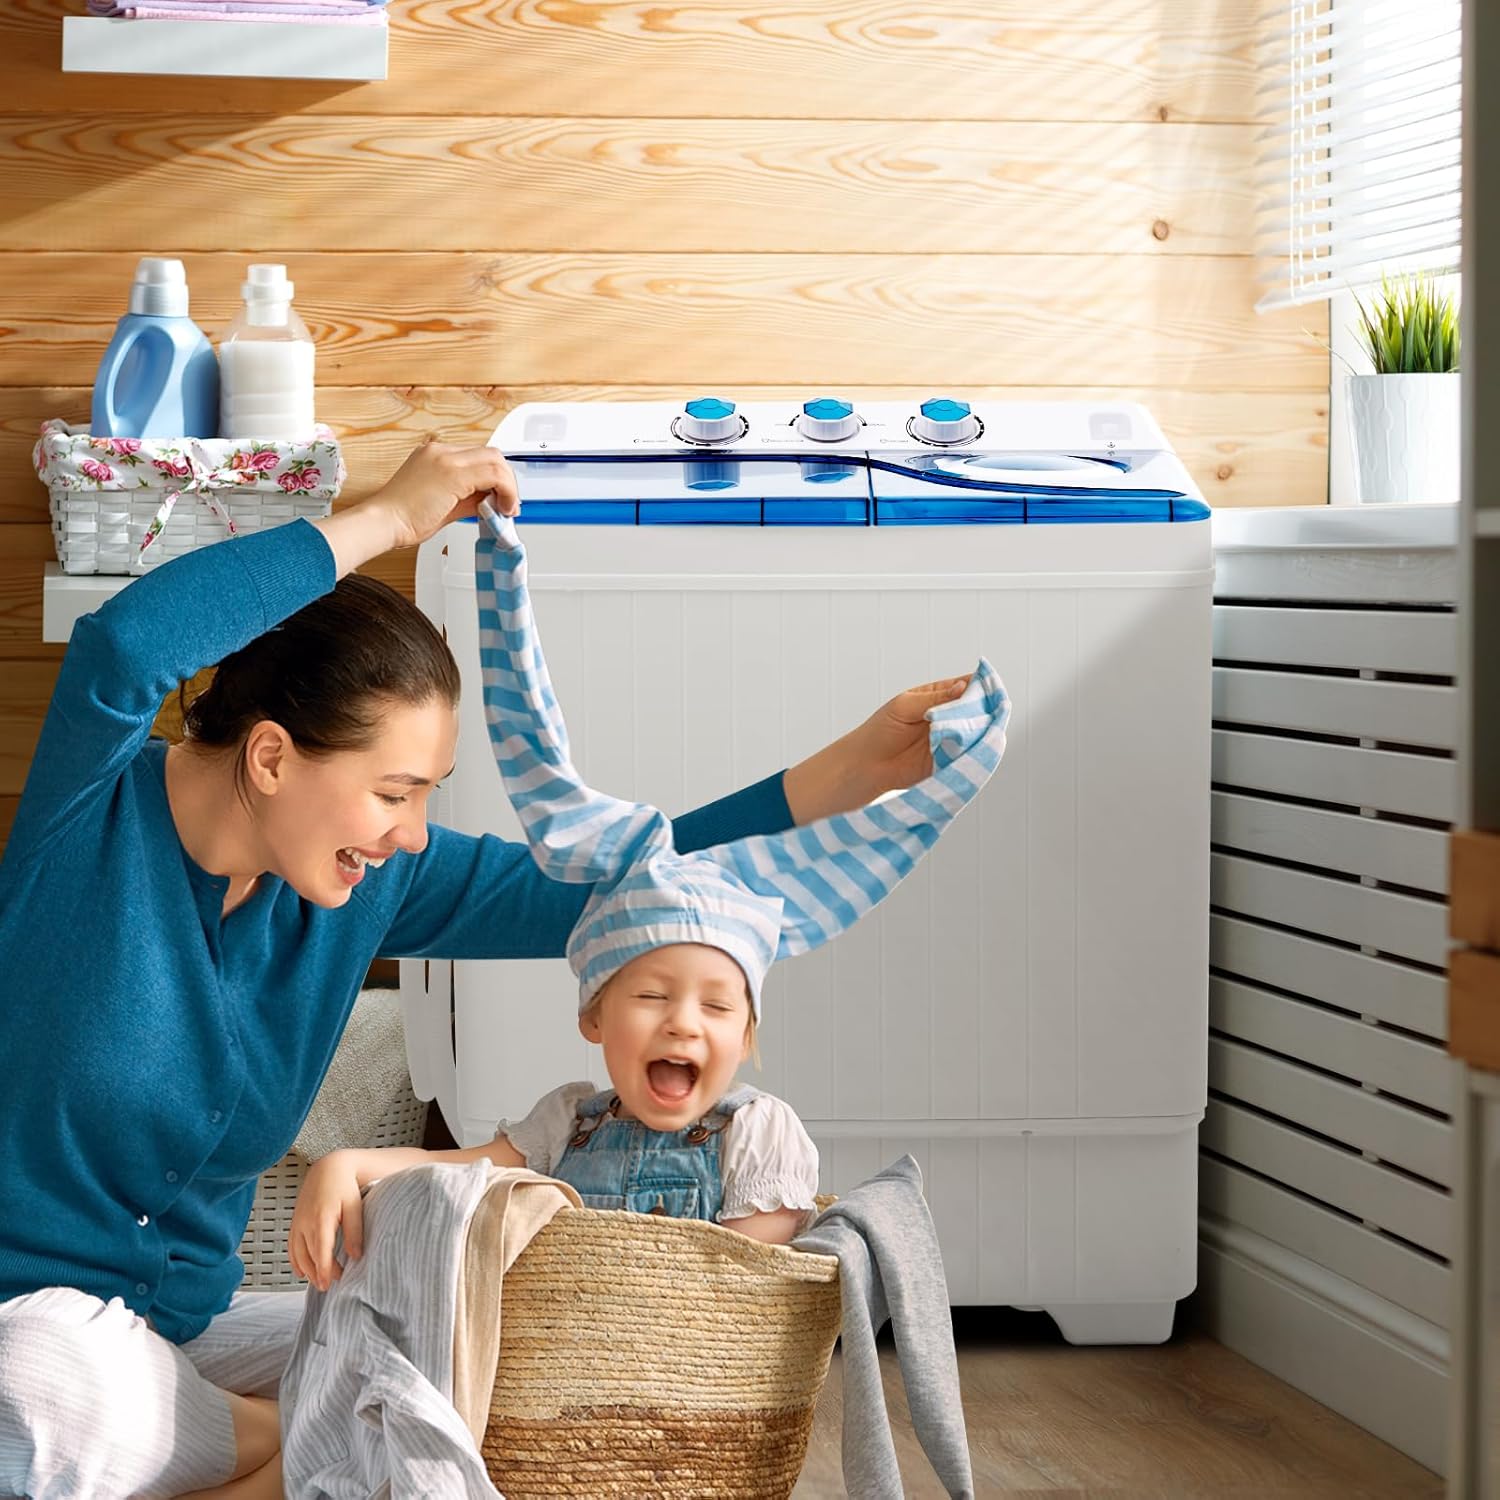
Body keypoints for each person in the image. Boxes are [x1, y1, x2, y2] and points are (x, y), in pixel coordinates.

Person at [0, 438, 957, 1500]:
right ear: (270, 758)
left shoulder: (369, 885)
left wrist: (839, 776)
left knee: (471, 1330)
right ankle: (295, 1443)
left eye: (428, 795)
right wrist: (386, 520)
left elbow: (626, 889)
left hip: (188, 1345)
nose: (412, 834)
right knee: (38, 1378)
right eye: (394, 792)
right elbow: (125, 644)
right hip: (35, 1341)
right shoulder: (81, 828)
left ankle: (298, 1438)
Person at [288, 499, 1010, 1290]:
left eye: (717, 1005)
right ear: (592, 1014)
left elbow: (745, 1305)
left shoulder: (756, 1135)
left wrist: (863, 770)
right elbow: (459, 1168)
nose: (683, 1021)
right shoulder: (565, 1123)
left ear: (749, 1034)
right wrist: (350, 1164)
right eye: (654, 994)